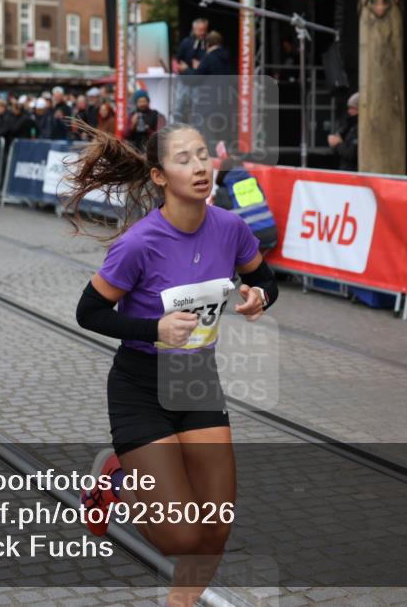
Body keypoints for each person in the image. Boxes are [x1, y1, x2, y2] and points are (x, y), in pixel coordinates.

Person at [70, 121, 278, 607]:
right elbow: (89, 312)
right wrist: (154, 329)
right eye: (184, 159)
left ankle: (179, 603)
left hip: (196, 382)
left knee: (215, 532)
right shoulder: (140, 243)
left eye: (203, 154)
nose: (200, 166)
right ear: (160, 176)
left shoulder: (231, 228)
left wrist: (258, 297)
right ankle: (118, 477)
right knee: (180, 538)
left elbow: (265, 279)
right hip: (140, 388)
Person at [212, 155, 278, 252]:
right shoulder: (254, 184)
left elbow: (214, 222)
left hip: (250, 240)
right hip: (271, 236)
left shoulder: (223, 192)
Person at [328, 92, 358, 172]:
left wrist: (338, 144)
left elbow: (352, 154)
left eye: (352, 108)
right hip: (345, 169)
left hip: (354, 172)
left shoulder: (359, 129)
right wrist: (336, 143)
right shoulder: (349, 125)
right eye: (349, 108)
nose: (349, 111)